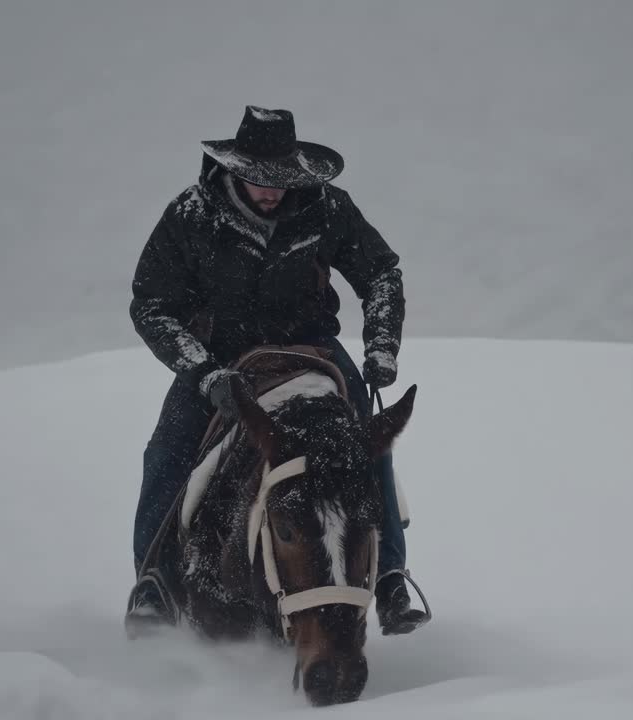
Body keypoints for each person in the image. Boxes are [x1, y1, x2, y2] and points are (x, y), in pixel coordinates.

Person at [126, 105, 428, 636]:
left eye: (280, 181)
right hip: (220, 360)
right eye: (257, 180)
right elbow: (152, 305)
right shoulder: (190, 215)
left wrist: (382, 346)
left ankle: (392, 578)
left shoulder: (329, 209)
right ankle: (156, 582)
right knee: (167, 451)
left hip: (313, 350)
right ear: (234, 168)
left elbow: (381, 272)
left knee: (367, 444)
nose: (270, 191)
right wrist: (202, 372)